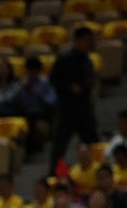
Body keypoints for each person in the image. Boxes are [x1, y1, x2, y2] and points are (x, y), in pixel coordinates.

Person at [49, 26, 98, 168]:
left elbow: (90, 80)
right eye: (86, 40)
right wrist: (69, 87)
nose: (89, 43)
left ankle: (97, 170)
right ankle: (54, 172)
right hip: (67, 108)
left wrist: (86, 86)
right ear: (77, 40)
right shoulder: (64, 59)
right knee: (60, 144)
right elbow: (54, 80)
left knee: (93, 143)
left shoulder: (88, 61)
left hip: (84, 107)